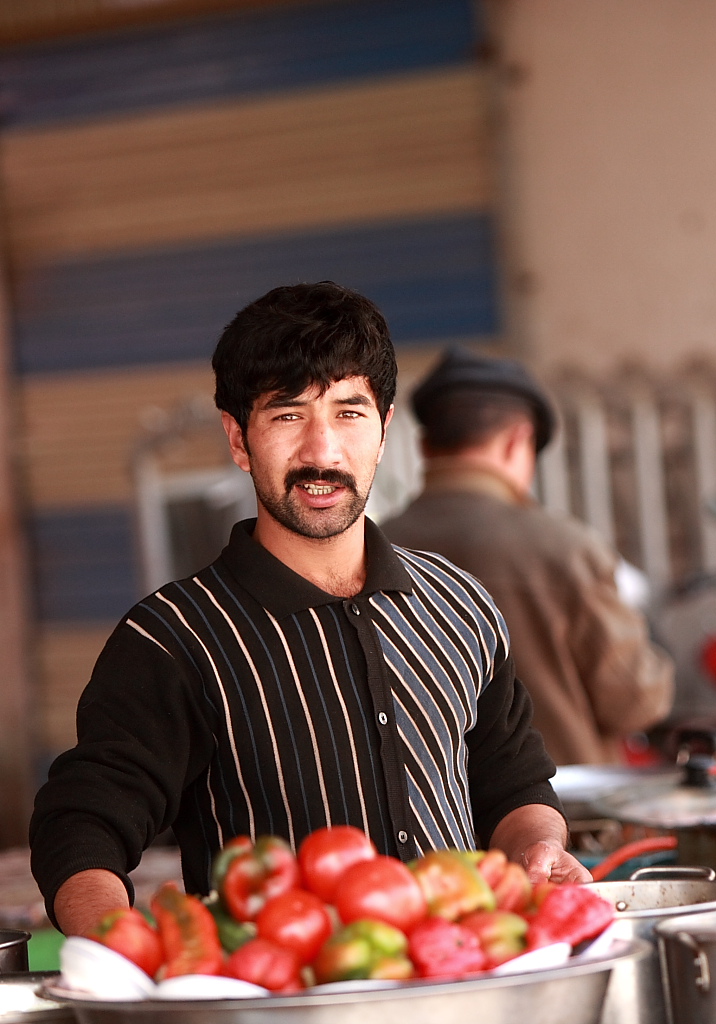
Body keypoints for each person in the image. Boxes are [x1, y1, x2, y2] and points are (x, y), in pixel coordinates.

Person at [30, 282, 589, 937]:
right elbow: (83, 823)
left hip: (461, 980)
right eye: (288, 415)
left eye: (350, 413)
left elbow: (515, 786)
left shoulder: (460, 606)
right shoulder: (174, 640)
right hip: (279, 998)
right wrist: (115, 949)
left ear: (385, 431)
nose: (322, 453)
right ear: (239, 440)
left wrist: (537, 849)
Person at [383, 347, 675, 766]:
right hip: (562, 819)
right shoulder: (566, 549)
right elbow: (633, 702)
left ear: (425, 445)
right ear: (519, 439)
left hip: (425, 821)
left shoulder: (373, 546)